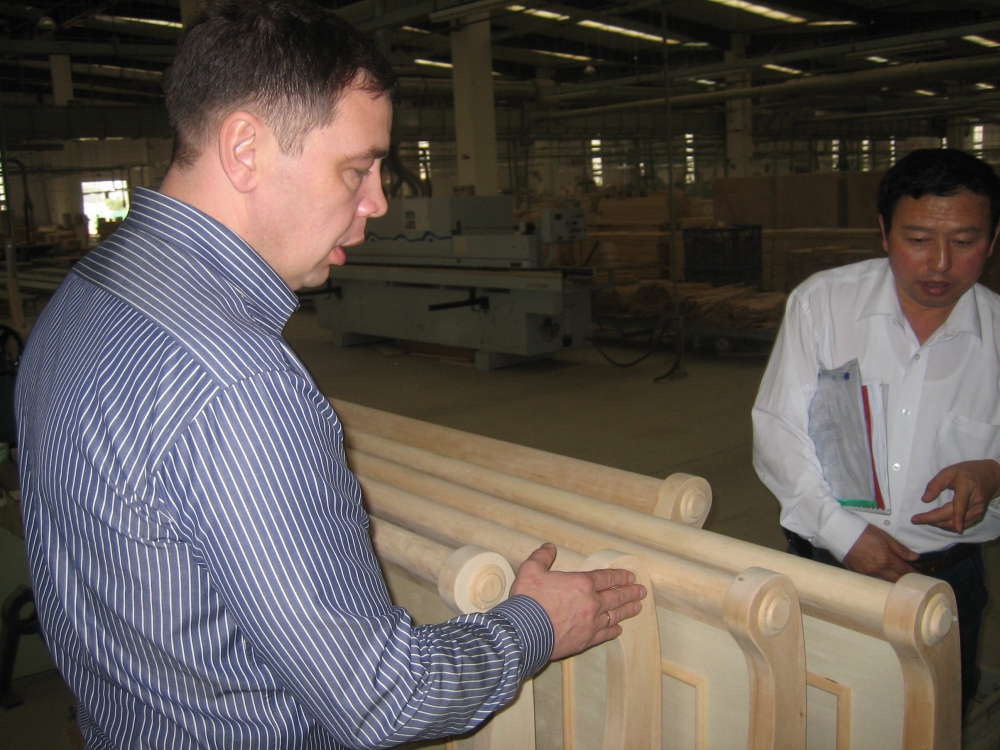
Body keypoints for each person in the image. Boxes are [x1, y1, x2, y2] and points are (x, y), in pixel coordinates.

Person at [14, 3, 645, 748]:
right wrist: (536, 623)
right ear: (245, 149)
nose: (378, 201)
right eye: (356, 168)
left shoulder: (82, 297)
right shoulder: (241, 385)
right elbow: (381, 701)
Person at [753, 147, 1000, 719]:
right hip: (826, 568)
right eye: (918, 239)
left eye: (964, 241)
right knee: (814, 718)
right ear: (884, 233)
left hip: (946, 581)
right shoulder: (823, 304)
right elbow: (778, 430)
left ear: (992, 241)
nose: (940, 263)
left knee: (931, 723)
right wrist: (841, 532)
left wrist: (994, 473)